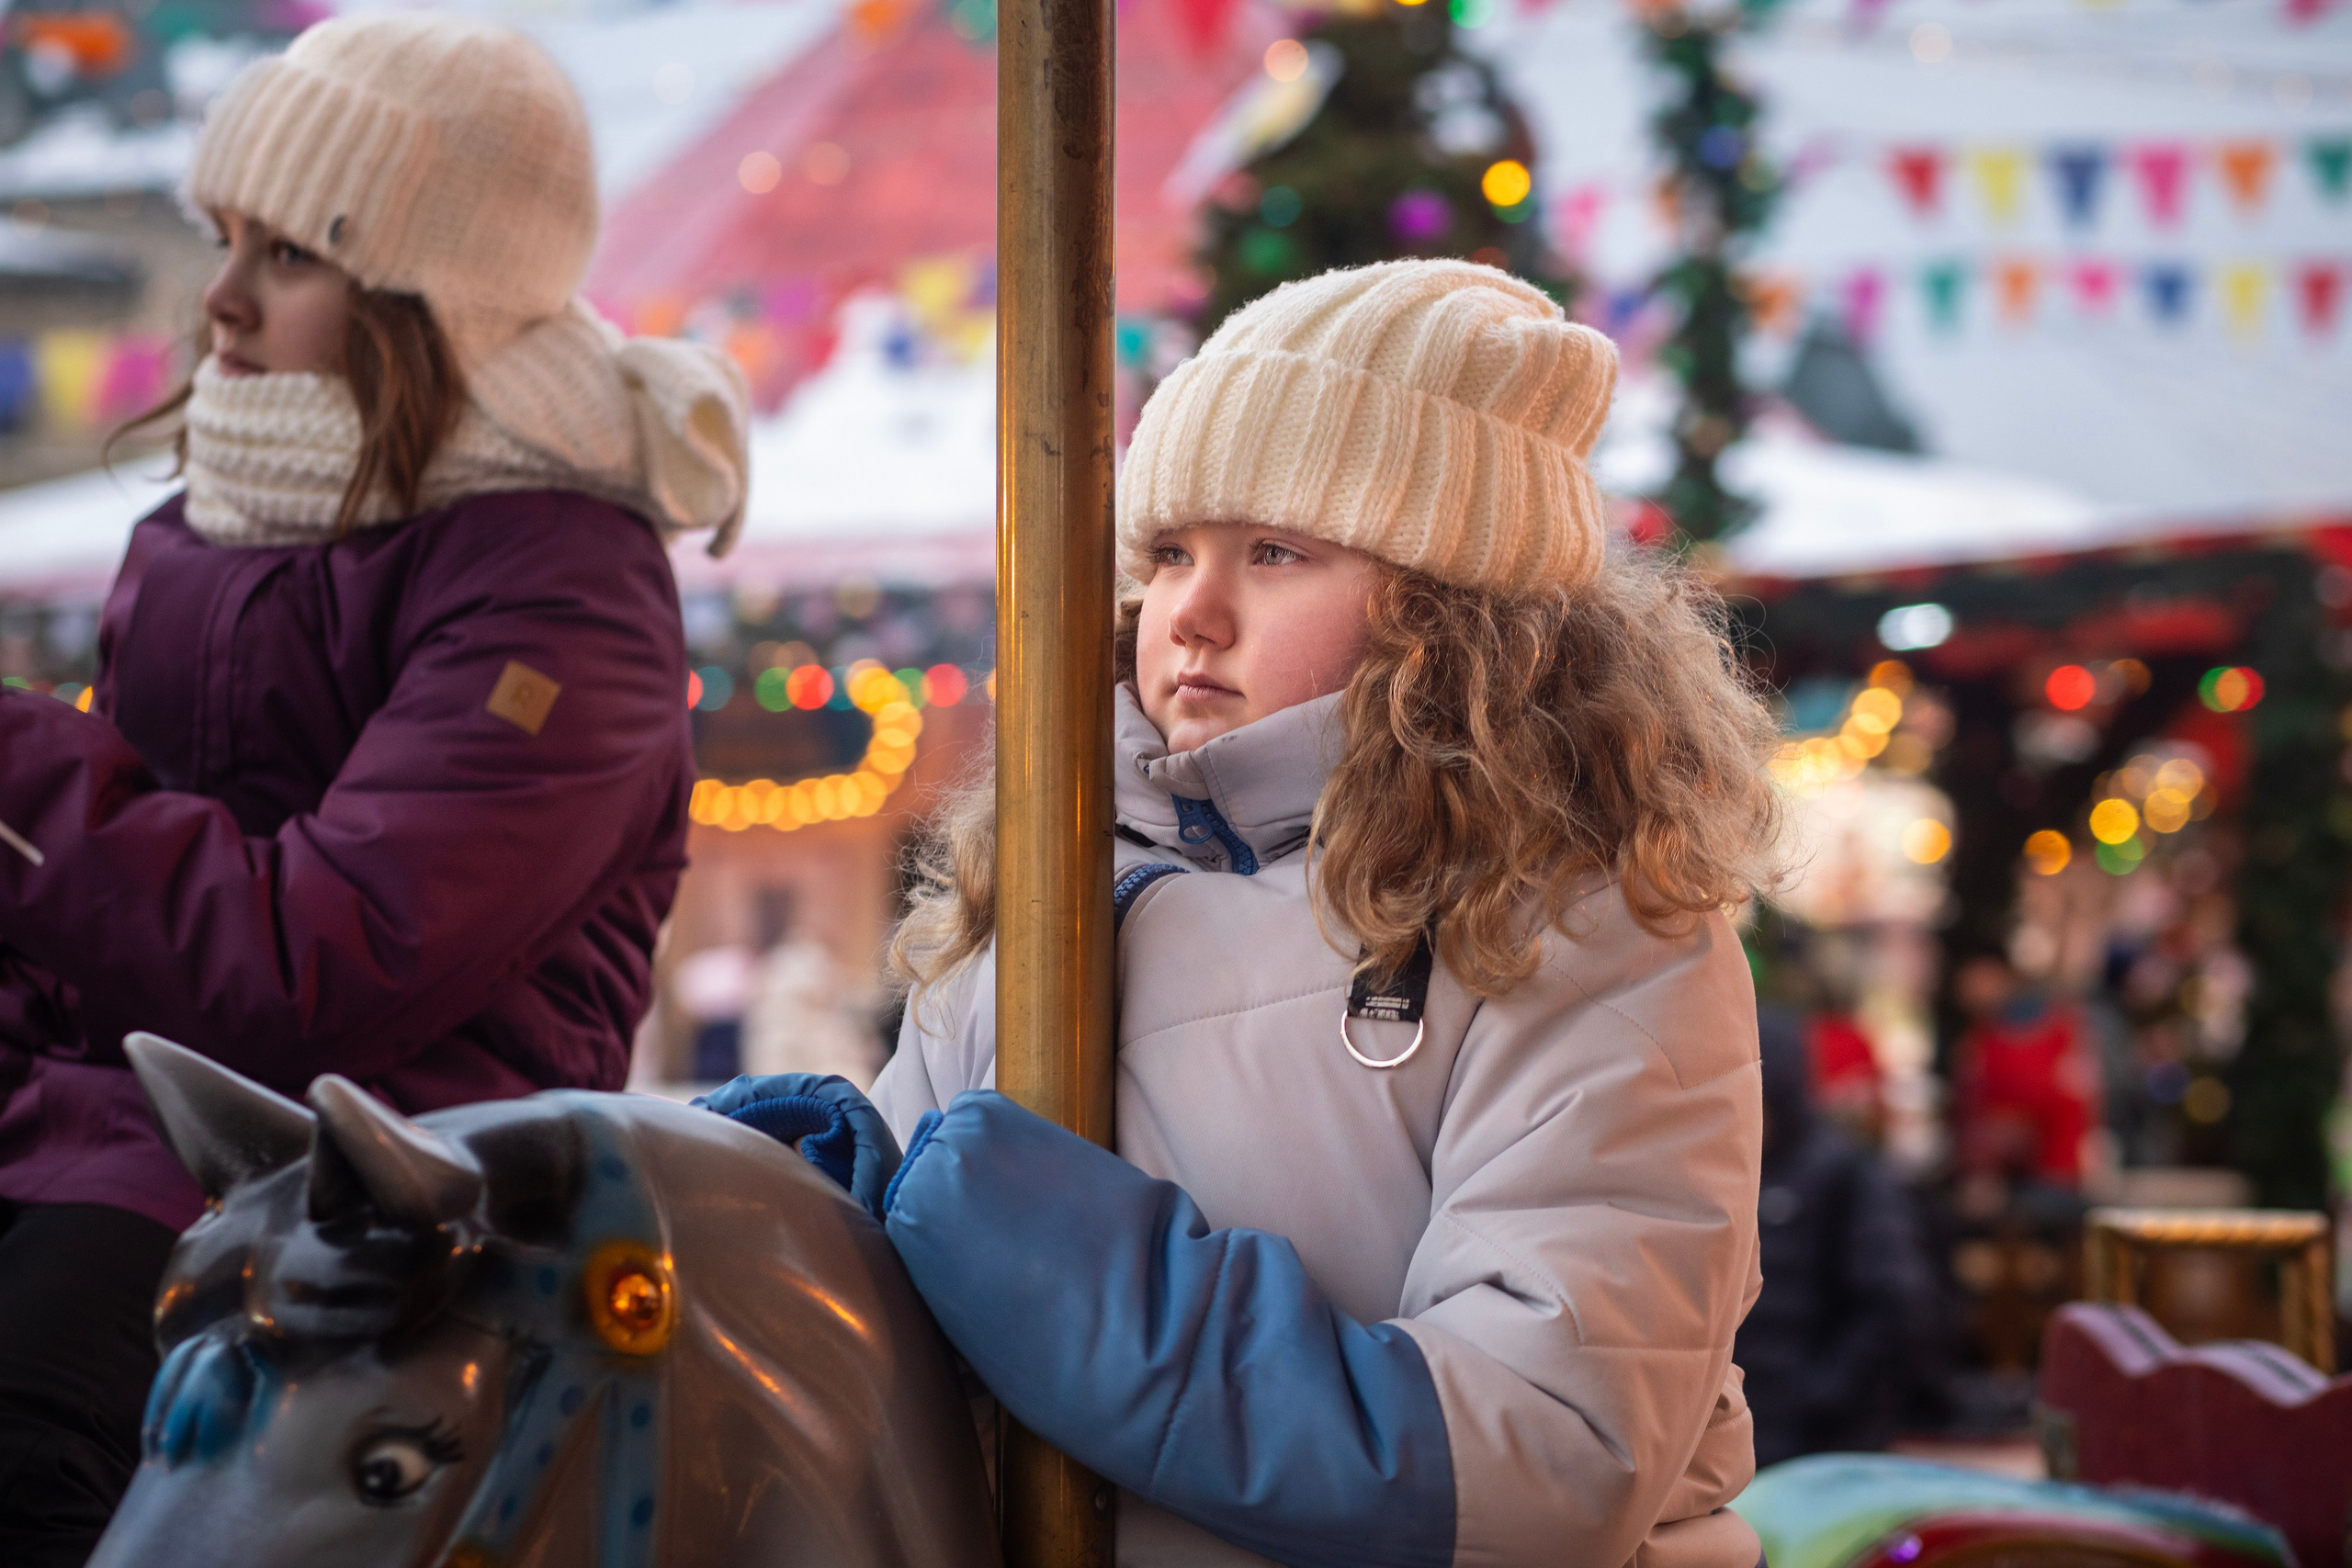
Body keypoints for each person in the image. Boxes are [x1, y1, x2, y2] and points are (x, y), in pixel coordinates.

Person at [713, 260, 1779, 1567]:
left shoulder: (1585, 922)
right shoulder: (1037, 899)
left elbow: (1545, 1451)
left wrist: (1099, 1294)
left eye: (1275, 553)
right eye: (1170, 553)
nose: (1191, 613)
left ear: (1450, 611)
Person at [0, 16, 747, 1563]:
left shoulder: (560, 581)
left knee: (25, 1429)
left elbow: (321, 957)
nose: (217, 299)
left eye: (283, 255)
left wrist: (17, 772)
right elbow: (114, 906)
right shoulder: (217, 514)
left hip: (382, 1173)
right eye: (224, 240)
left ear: (426, 298)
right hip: (126, 1119)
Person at [1736, 1008, 1928, 1467]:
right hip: (1731, 1438)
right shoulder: (1714, 1172)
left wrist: (1822, 1397)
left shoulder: (1842, 1173)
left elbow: (1894, 1301)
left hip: (1809, 1446)